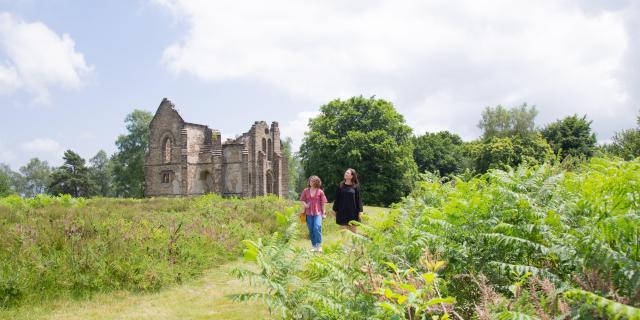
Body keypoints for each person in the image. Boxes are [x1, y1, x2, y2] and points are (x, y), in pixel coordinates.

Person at [300, 175, 328, 252]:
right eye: (310, 180)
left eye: (313, 180)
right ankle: (314, 246)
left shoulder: (320, 191)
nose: (311, 182)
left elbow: (323, 203)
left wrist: (324, 213)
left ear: (317, 182)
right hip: (308, 213)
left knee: (317, 227)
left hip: (318, 213)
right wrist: (305, 204)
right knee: (311, 229)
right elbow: (302, 199)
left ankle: (319, 245)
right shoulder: (306, 190)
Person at [332, 168, 363, 233]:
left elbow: (359, 199)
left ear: (352, 176)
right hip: (342, 212)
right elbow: (337, 199)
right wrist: (334, 210)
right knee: (343, 232)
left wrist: (360, 211)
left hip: (353, 212)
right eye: (345, 172)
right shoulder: (341, 185)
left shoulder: (356, 186)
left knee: (353, 233)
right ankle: (344, 243)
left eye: (347, 173)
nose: (345, 174)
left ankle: (354, 244)